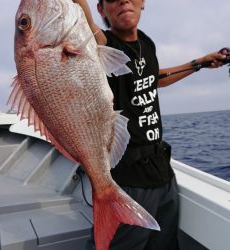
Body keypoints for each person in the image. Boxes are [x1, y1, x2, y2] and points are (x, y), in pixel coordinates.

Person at [73, 0, 228, 249]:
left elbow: (154, 79)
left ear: (143, 2)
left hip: (162, 174)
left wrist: (199, 63)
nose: (124, 0)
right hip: (127, 180)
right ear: (101, 10)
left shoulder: (146, 42)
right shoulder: (102, 44)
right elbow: (83, 16)